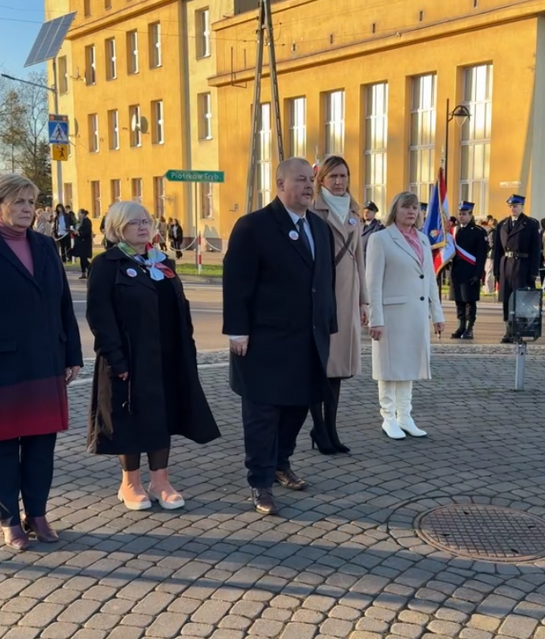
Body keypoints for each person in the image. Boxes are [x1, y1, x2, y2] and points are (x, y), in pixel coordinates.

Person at [0, 174, 84, 550]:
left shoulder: (45, 246)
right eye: (19, 202)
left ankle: (37, 514)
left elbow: (63, 305)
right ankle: (9, 520)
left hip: (45, 360)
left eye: (31, 202)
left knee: (42, 443)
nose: (28, 209)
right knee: (3, 445)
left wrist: (72, 354)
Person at [86, 201, 221, 511]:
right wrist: (116, 359)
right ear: (118, 228)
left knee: (162, 416)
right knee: (130, 418)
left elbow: (179, 308)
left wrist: (186, 351)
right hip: (128, 358)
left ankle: (160, 481)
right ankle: (130, 483)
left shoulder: (162, 262)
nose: (143, 226)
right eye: (134, 222)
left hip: (166, 355)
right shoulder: (107, 264)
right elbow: (101, 317)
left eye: (146, 221)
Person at [222, 157, 337, 516]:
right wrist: (237, 330)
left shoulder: (319, 228)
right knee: (263, 413)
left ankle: (280, 462)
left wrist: (328, 325)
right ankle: (260, 481)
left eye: (311, 180)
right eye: (300, 179)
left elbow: (325, 282)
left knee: (299, 406)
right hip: (264, 341)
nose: (308, 186)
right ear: (280, 184)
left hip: (308, 339)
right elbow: (236, 282)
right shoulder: (253, 226)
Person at [366, 191, 445, 440]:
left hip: (416, 314)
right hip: (391, 314)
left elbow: (429, 279)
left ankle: (405, 415)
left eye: (415, 208)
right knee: (389, 366)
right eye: (406, 207)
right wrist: (375, 319)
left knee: (409, 364)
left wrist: (437, 314)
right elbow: (373, 283)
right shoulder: (381, 239)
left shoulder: (422, 239)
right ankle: (388, 416)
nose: (411, 212)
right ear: (395, 210)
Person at [307, 155, 366, 455]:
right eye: (334, 176)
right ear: (322, 180)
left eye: (344, 176)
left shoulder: (355, 212)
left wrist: (364, 300)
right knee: (319, 366)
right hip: (322, 294)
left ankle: (331, 428)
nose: (340, 181)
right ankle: (319, 427)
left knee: (338, 369)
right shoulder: (313, 210)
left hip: (347, 295)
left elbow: (360, 259)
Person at [492, 194, 541, 343]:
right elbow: (497, 250)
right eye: (511, 206)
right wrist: (496, 270)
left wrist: (533, 272)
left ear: (522, 207)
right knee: (507, 299)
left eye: (515, 206)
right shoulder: (502, 224)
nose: (513, 209)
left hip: (522, 265)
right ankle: (508, 330)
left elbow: (535, 249)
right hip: (506, 265)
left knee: (521, 299)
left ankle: (519, 330)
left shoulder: (531, 224)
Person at [449, 201, 488, 339]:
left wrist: (478, 274)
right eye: (460, 213)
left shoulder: (478, 232)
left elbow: (481, 255)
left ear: (470, 215)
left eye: (464, 214)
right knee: (459, 300)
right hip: (457, 271)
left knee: (469, 301)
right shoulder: (454, 231)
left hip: (470, 271)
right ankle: (461, 326)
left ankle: (469, 328)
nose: (461, 216)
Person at [74, 209, 94, 279]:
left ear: (83, 214)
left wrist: (79, 233)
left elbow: (87, 231)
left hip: (85, 243)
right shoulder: (80, 221)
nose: (78, 215)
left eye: (79, 214)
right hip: (80, 243)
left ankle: (91, 269)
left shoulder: (87, 221)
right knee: (81, 258)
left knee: (84, 258)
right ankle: (83, 272)